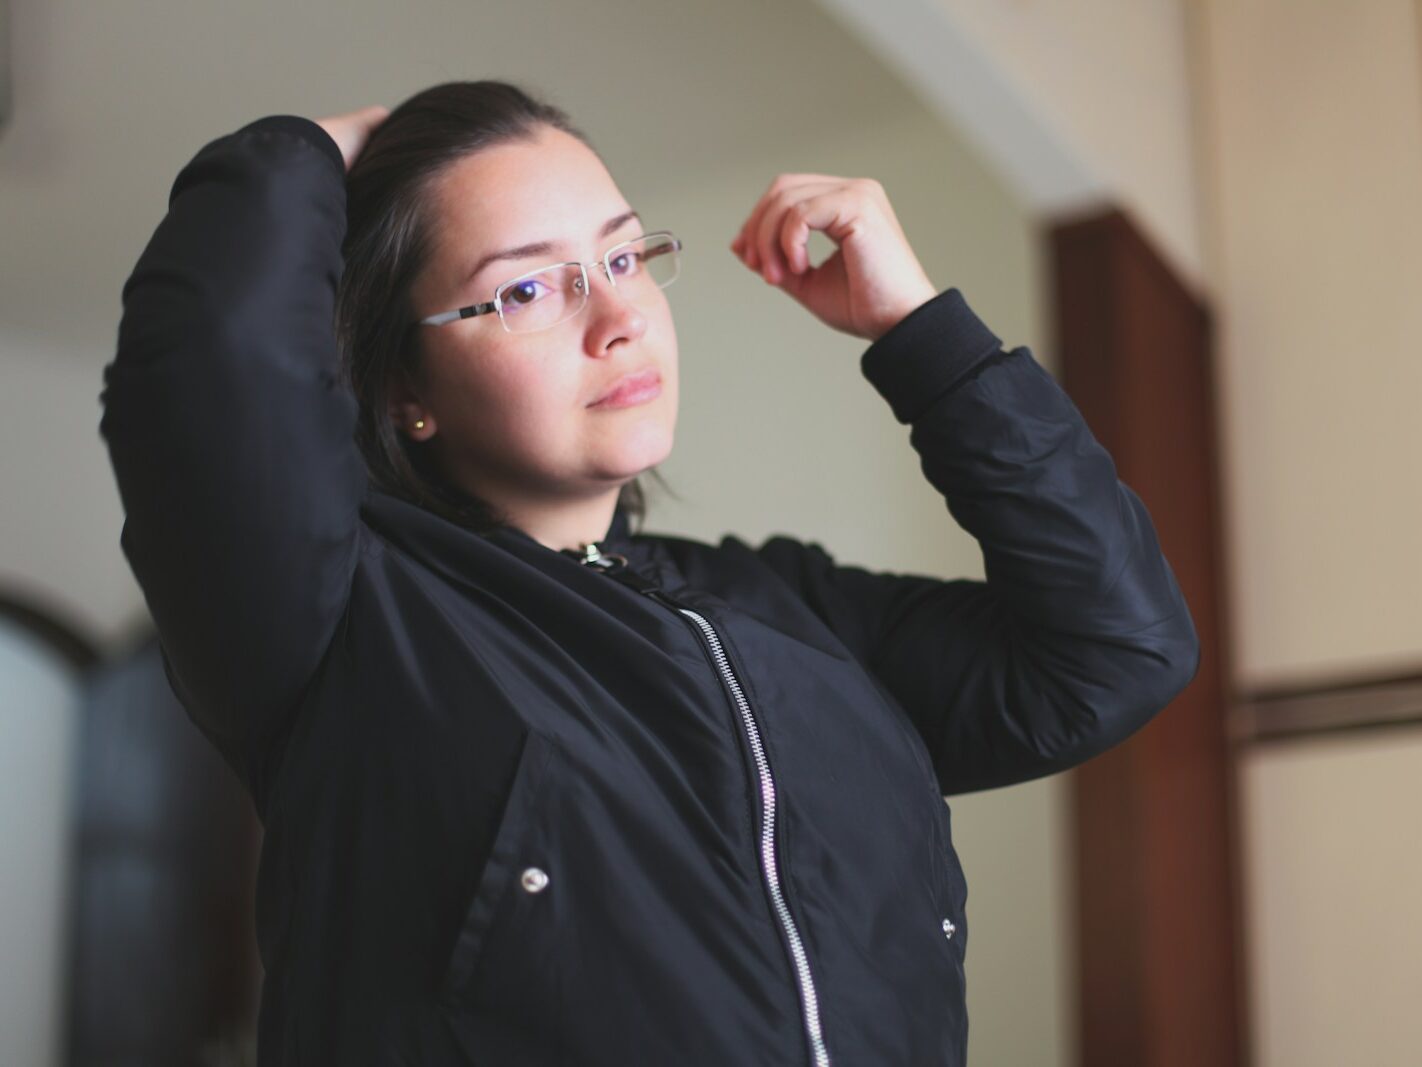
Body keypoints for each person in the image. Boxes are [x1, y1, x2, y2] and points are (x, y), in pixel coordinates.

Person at [98, 80, 1200, 1066]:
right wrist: (309, 148)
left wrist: (922, 334)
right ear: (400, 389)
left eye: (623, 258)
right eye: (528, 290)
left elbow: (1114, 647)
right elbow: (207, 376)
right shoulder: (346, 626)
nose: (620, 317)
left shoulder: (790, 611)